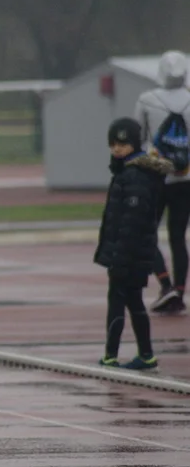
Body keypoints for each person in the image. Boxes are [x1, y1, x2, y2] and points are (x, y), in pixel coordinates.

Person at [94, 118, 169, 370]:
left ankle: (110, 355)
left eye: (123, 144)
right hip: (134, 252)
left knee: (117, 300)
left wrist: (119, 258)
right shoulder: (128, 172)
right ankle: (146, 354)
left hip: (128, 254)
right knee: (134, 301)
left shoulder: (134, 176)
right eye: (113, 143)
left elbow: (131, 223)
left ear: (134, 144)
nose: (117, 148)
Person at [133, 50, 190, 314]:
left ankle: (165, 284)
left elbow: (137, 138)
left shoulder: (147, 99)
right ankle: (179, 290)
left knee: (145, 234)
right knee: (178, 237)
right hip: (185, 178)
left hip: (155, 177)